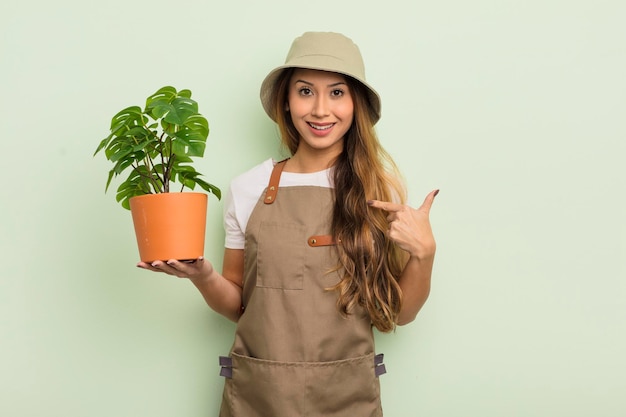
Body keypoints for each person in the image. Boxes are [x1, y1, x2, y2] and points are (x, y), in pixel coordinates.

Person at [138, 31, 438, 417]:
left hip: (348, 399)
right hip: (259, 398)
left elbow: (400, 314)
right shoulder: (248, 188)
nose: (320, 110)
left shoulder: (379, 193)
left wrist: (424, 255)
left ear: (355, 104)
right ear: (286, 101)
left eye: (336, 92)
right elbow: (239, 305)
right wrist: (203, 276)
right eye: (305, 91)